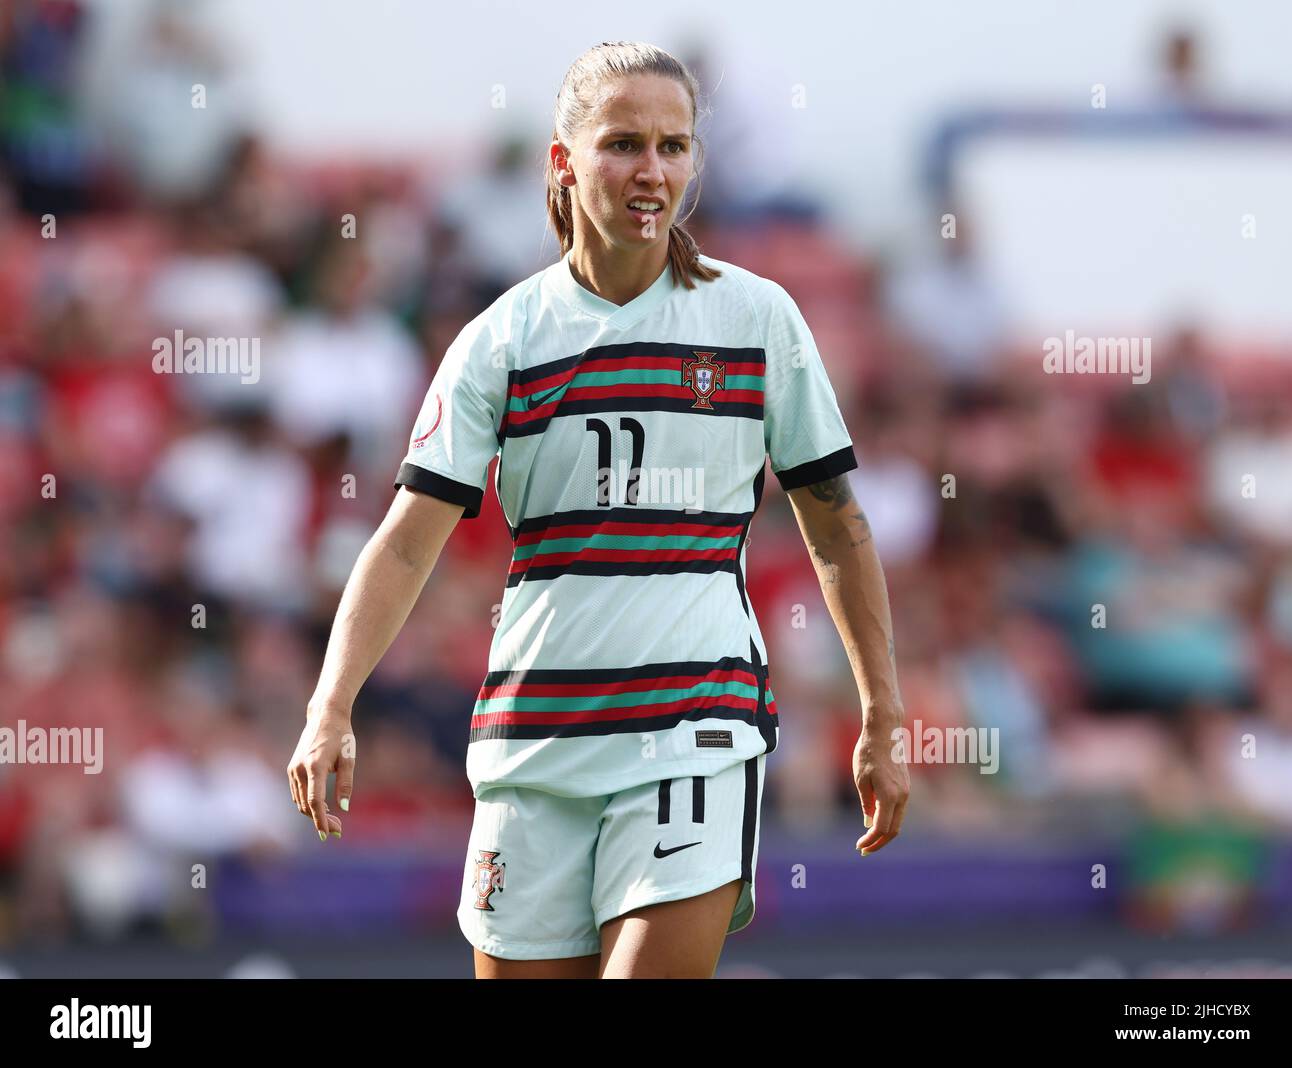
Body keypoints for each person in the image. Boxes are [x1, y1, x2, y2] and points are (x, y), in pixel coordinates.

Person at [287, 41, 909, 980]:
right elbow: (407, 544)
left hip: (692, 730)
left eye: (672, 145)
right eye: (623, 143)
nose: (650, 170)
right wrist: (330, 704)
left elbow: (836, 527)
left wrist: (881, 712)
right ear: (564, 160)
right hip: (533, 743)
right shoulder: (502, 340)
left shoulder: (757, 320)